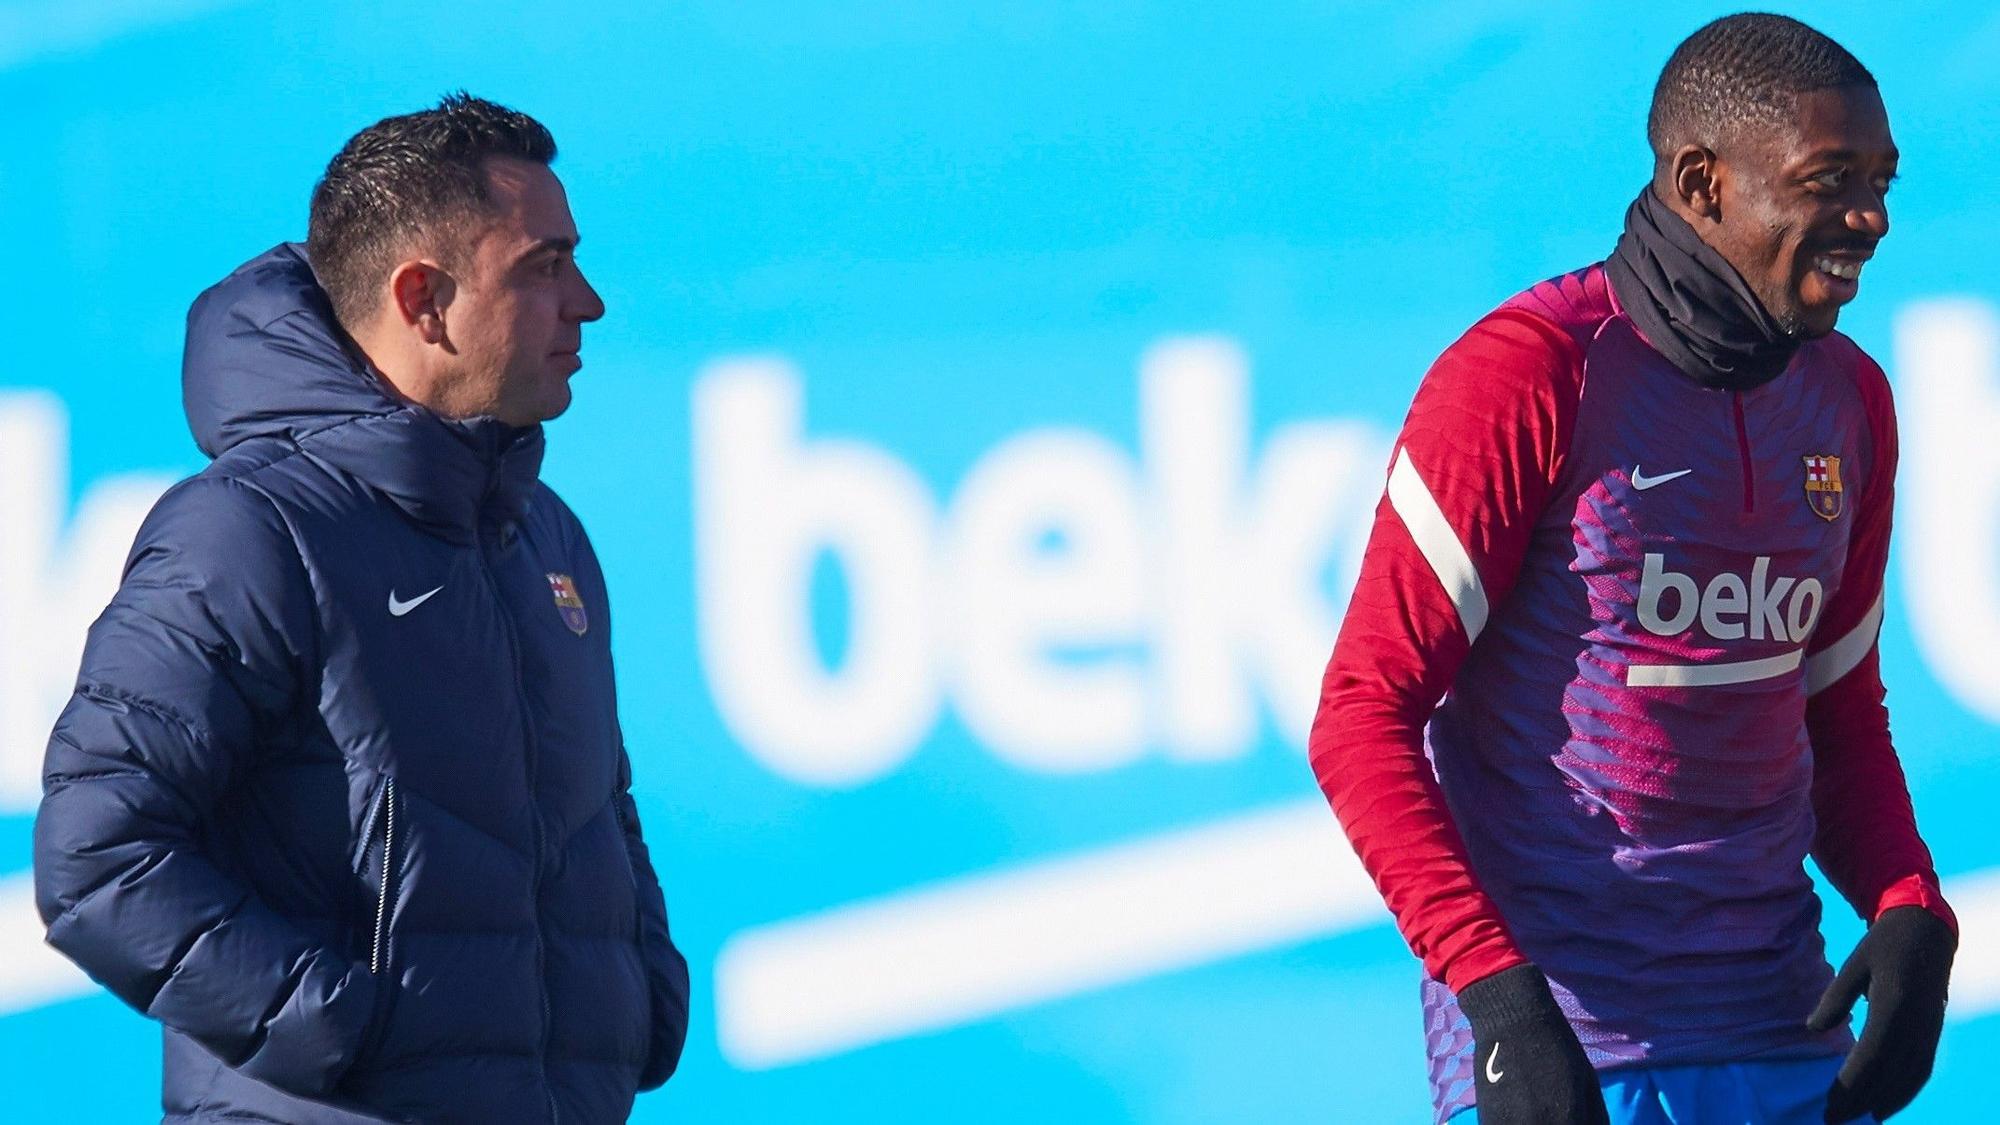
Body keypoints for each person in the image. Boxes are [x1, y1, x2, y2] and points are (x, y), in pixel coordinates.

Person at [1308, 14, 1954, 1125]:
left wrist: (1906, 909)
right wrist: (1498, 1004)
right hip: (1574, 1058)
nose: (1870, 219)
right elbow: (1360, 715)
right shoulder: (1527, 374)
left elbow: (1832, 715)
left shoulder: (1849, 400)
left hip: (1784, 1034)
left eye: (1882, 180)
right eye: (1828, 180)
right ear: (1700, 184)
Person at [32, 94, 689, 1123]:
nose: (588, 302)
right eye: (544, 265)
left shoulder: (543, 534)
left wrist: (639, 999)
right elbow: (98, 856)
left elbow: (595, 810)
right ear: (423, 298)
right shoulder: (248, 531)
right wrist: (344, 1029)